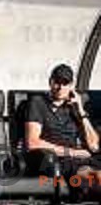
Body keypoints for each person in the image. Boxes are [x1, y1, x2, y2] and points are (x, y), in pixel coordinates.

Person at [25, 64, 101, 193]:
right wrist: (72, 152)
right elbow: (32, 143)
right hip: (56, 161)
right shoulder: (38, 102)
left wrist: (81, 112)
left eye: (65, 83)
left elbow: (94, 146)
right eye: (57, 82)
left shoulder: (74, 107)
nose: (60, 87)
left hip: (83, 160)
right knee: (97, 177)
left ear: (71, 86)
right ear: (50, 82)